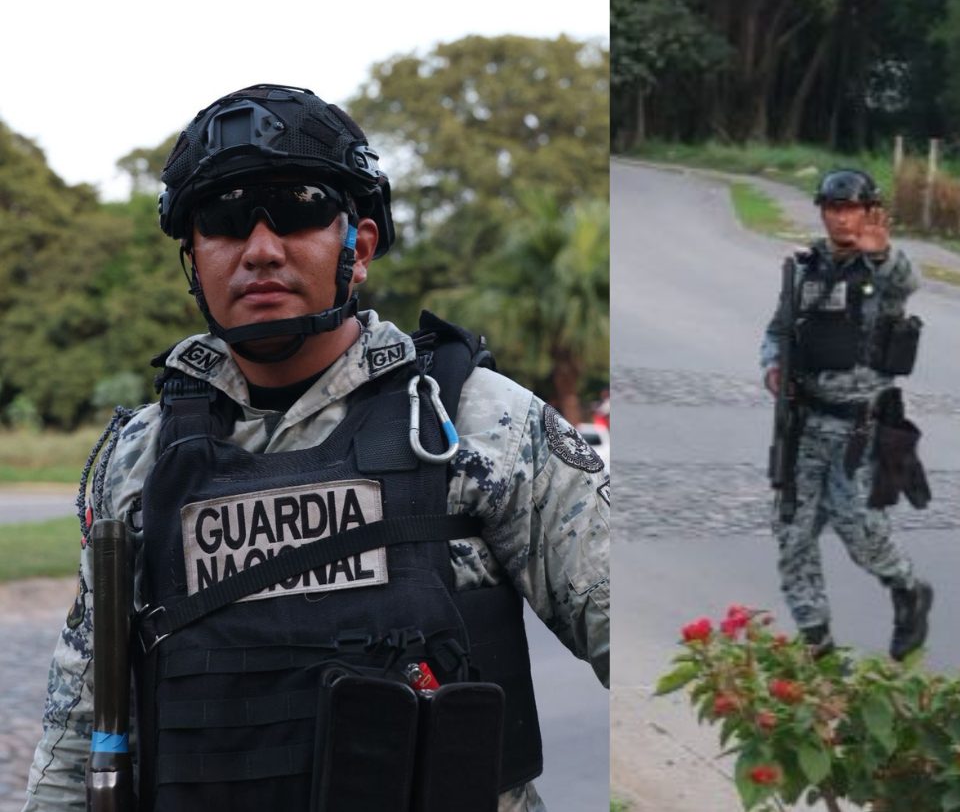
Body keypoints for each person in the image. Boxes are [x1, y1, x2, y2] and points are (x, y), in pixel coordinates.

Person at [23, 84, 609, 812]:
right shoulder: (137, 462)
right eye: (225, 219)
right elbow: (77, 730)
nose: (260, 249)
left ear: (357, 246)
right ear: (193, 258)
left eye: (297, 209)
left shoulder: (476, 425)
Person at [761, 168, 931, 661]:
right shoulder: (803, 268)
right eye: (833, 209)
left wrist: (880, 252)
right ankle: (817, 643)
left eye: (851, 208)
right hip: (804, 423)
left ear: (868, 211)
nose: (841, 218)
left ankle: (906, 588)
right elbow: (776, 330)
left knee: (858, 527)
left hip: (860, 426)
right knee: (792, 531)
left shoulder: (882, 269)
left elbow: (908, 282)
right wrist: (772, 366)